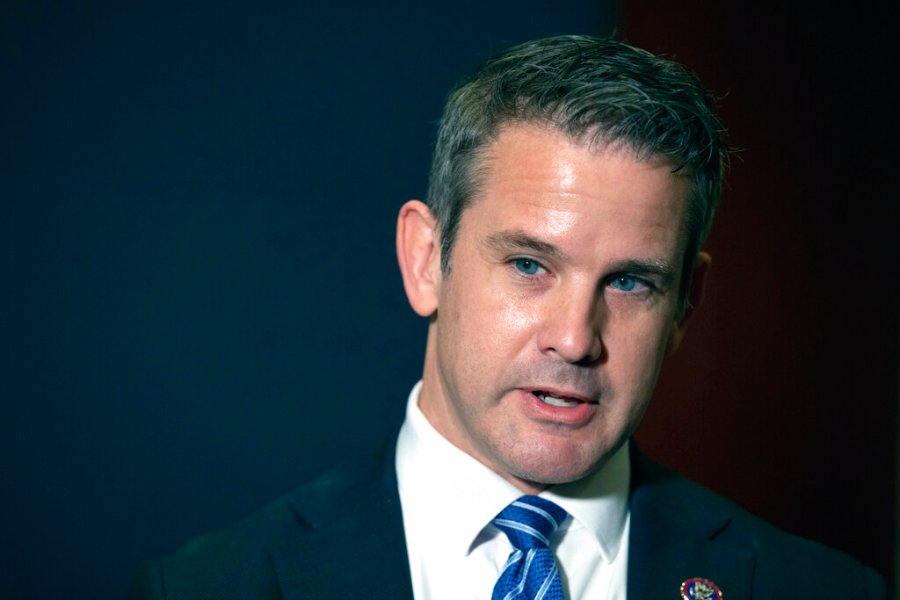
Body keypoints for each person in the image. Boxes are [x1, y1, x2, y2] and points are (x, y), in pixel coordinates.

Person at [128, 35, 888, 599]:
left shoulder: (825, 591)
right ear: (427, 259)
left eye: (629, 284)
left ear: (686, 303)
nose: (575, 338)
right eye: (530, 265)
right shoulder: (208, 588)